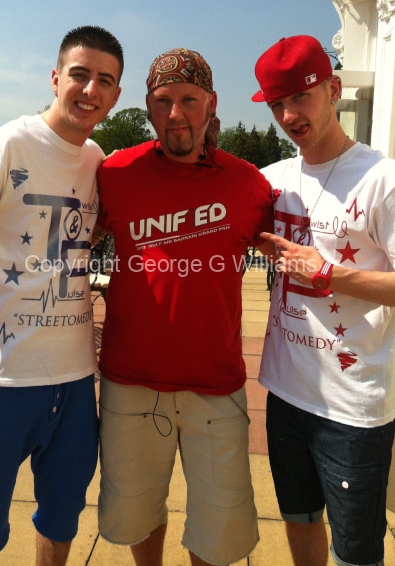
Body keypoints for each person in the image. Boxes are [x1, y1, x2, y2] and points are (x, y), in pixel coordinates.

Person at [0, 25, 123, 566]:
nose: (90, 89)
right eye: (80, 74)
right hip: (2, 380)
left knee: (62, 516)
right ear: (55, 78)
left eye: (105, 80)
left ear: (116, 94)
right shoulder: (3, 146)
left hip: (75, 381)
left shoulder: (96, 159)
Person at [96, 47, 275, 566]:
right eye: (163, 101)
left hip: (214, 385)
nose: (176, 114)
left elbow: (295, 248)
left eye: (189, 100)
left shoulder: (248, 183)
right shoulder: (115, 173)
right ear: (148, 108)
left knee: (219, 529)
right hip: (131, 381)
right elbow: (66, 236)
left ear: (211, 104)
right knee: (136, 513)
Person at [251, 35, 395, 566]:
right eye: (277, 104)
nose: (289, 115)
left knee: (356, 550)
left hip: (352, 404)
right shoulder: (274, 180)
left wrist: (329, 273)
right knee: (299, 517)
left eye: (301, 96)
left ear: (333, 89)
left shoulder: (382, 179)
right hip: (285, 390)